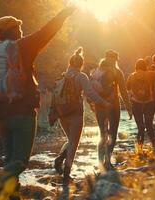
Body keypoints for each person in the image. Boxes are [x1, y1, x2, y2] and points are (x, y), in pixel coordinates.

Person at [0, 7, 75, 197]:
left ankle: (10, 194)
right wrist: (64, 14)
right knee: (20, 162)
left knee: (10, 161)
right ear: (11, 31)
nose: (21, 30)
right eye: (17, 27)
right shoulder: (22, 46)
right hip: (22, 113)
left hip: (1, 117)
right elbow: (45, 33)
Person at [52, 48, 110, 184]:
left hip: (62, 114)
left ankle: (60, 159)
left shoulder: (62, 76)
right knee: (73, 144)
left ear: (69, 63)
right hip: (75, 114)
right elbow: (90, 93)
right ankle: (66, 174)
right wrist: (103, 102)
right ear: (81, 64)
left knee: (69, 140)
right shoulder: (81, 76)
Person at [90, 50, 132, 170]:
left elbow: (91, 89)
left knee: (102, 134)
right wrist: (129, 108)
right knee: (112, 134)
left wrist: (92, 103)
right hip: (113, 106)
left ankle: (100, 162)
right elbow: (123, 91)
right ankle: (107, 162)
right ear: (115, 60)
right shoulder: (117, 72)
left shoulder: (97, 71)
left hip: (100, 106)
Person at [126, 59, 155, 151]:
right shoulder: (150, 74)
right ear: (145, 67)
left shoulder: (131, 76)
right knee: (149, 126)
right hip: (149, 103)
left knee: (140, 127)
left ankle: (139, 149)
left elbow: (127, 87)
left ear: (136, 67)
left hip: (136, 103)